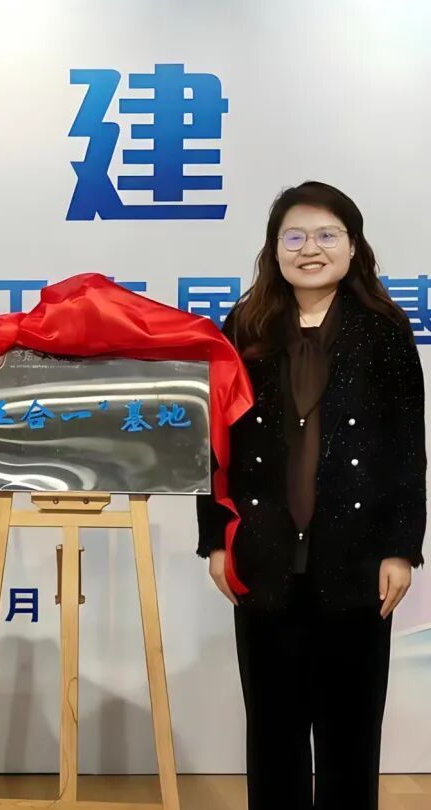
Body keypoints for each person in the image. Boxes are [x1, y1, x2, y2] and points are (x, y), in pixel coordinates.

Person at [196, 181, 425, 810]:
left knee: (352, 733)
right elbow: (216, 443)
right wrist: (216, 539)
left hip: (357, 559)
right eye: (293, 236)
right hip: (263, 554)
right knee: (273, 734)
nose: (310, 249)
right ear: (274, 249)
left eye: (327, 235)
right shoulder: (245, 327)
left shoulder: (384, 331)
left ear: (353, 246)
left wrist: (401, 548)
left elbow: (406, 448)